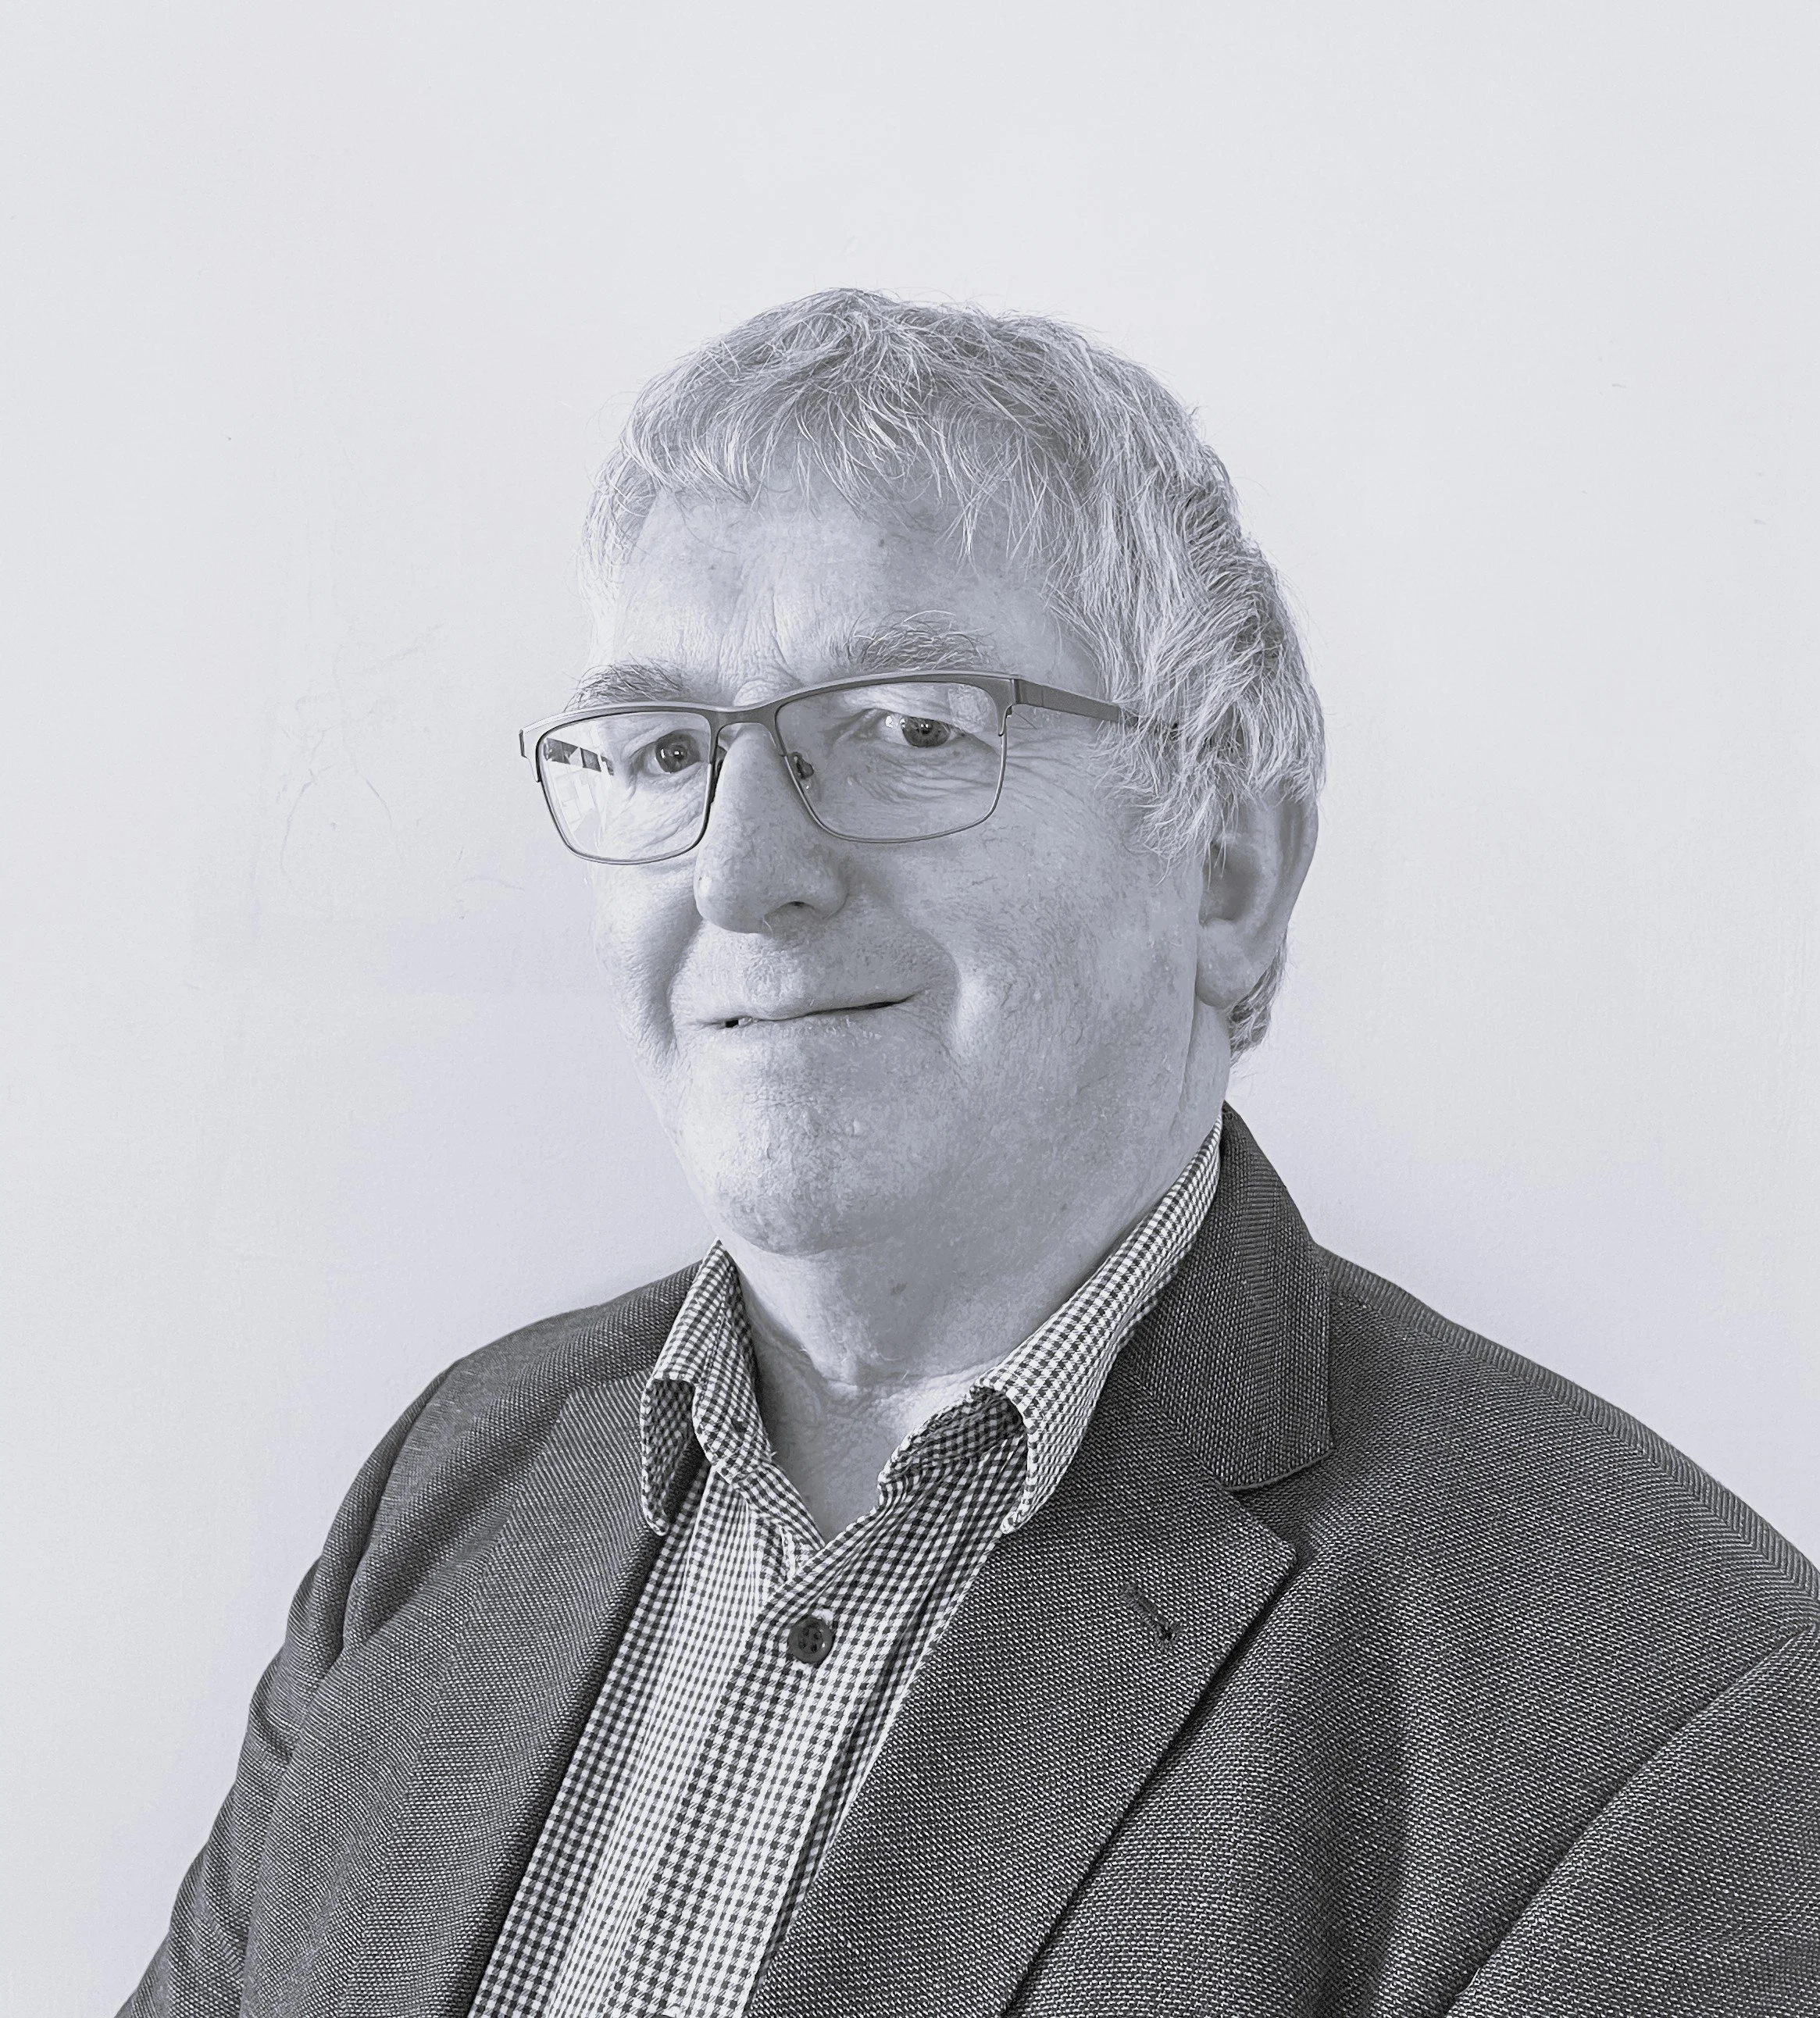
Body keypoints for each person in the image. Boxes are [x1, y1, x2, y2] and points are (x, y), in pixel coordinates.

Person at [126, 291, 1820, 2018]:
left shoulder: (1666, 1709)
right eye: (662, 751)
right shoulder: (450, 1482)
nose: (737, 874)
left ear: (1226, 868)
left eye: (909, 728)